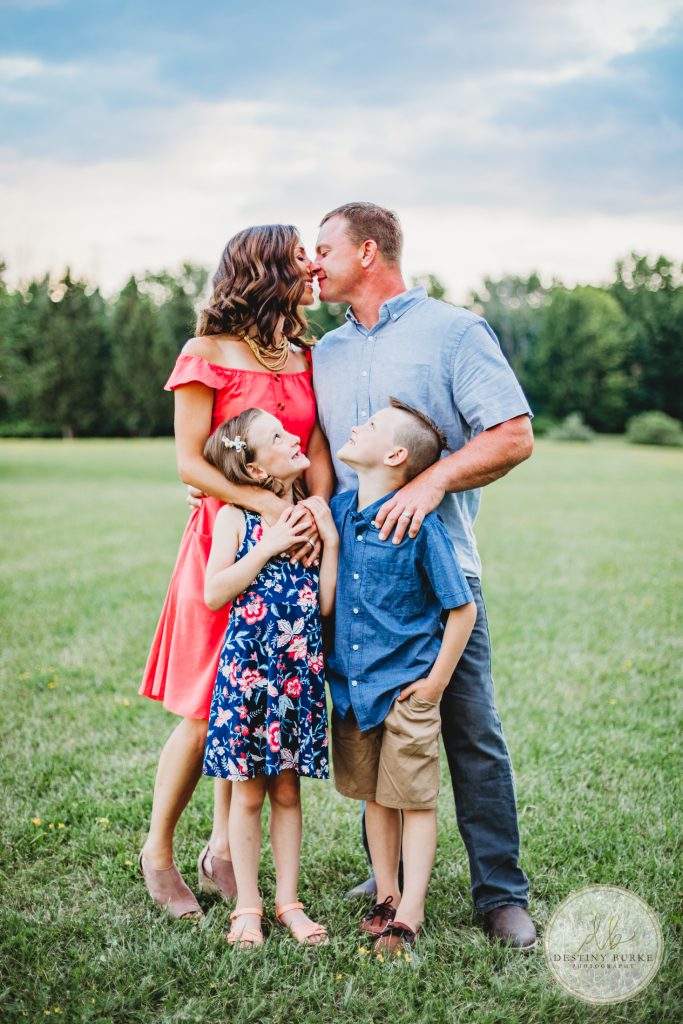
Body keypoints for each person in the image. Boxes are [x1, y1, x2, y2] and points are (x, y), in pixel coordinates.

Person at [310, 201, 537, 948]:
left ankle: (499, 894)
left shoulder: (454, 331)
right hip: (360, 589)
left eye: (324, 249)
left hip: (440, 578)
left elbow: (512, 434)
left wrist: (430, 481)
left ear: (368, 252)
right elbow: (315, 453)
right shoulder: (327, 349)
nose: (313, 264)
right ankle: (389, 881)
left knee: (470, 733)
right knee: (372, 729)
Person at [138, 224, 334, 919]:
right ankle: (157, 852)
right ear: (265, 268)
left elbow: (313, 453)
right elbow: (191, 463)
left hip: (292, 548)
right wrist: (269, 514)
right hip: (222, 544)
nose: (313, 265)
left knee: (247, 703)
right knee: (202, 708)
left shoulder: (304, 355)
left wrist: (309, 518)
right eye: (299, 256)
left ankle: (224, 848)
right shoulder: (205, 354)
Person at [329, 399, 477, 952]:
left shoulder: (422, 527)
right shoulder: (340, 512)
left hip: (408, 690)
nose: (353, 425)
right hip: (353, 690)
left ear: (394, 454)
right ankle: (385, 894)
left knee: (414, 800)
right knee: (375, 797)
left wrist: (436, 683)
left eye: (366, 425)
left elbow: (462, 609)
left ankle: (410, 910)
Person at [200, 409, 338, 948]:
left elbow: (323, 605)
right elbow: (215, 592)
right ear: (255, 471)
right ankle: (247, 907)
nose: (290, 437)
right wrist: (267, 547)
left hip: (298, 675)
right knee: (248, 795)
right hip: (251, 675)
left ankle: (288, 903)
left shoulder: (307, 515)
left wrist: (330, 539)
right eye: (275, 438)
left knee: (287, 791)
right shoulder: (236, 517)